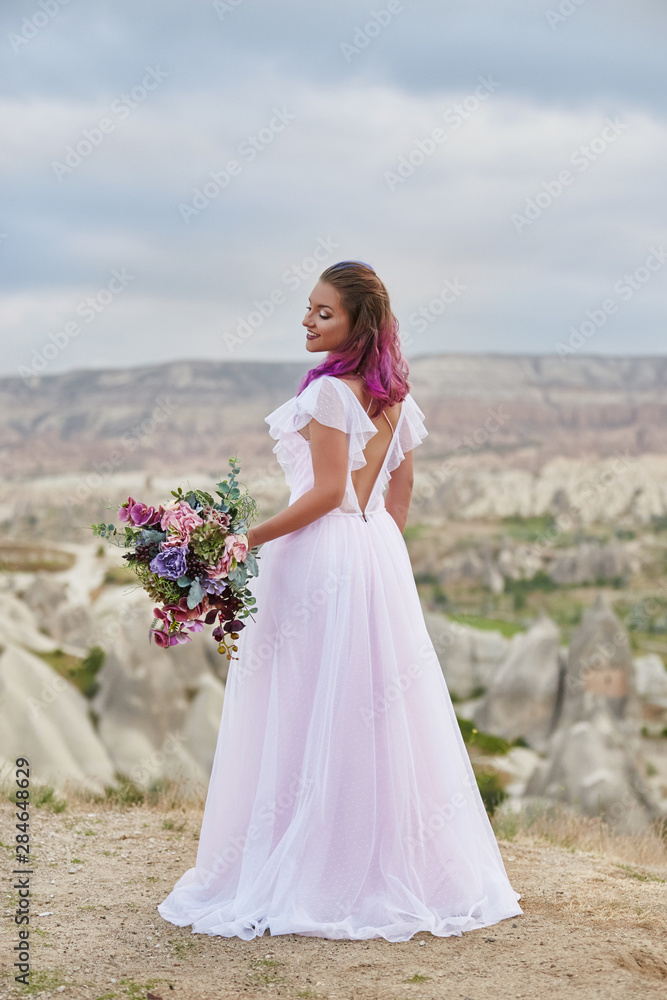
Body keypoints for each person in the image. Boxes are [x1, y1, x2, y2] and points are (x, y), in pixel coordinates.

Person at [157, 260, 523, 941]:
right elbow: (399, 495)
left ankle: (313, 863)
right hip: (372, 552)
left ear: (357, 323)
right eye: (307, 308)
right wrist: (373, 555)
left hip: (318, 552)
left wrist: (245, 540)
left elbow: (324, 493)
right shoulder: (395, 400)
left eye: (323, 312)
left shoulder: (331, 397)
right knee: (367, 711)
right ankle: (368, 859)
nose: (307, 319)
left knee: (302, 705)